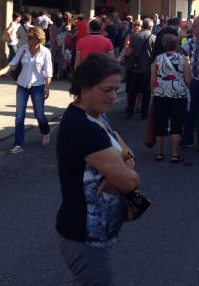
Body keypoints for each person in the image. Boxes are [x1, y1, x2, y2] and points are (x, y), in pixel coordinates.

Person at [56, 53, 140, 286]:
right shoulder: (83, 127)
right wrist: (123, 174)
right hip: (83, 234)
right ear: (84, 86)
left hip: (94, 232)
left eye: (116, 89)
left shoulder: (97, 116)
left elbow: (128, 154)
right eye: (107, 90)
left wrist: (119, 171)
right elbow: (130, 182)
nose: (114, 96)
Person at [0, 26, 53, 152]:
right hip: (22, 85)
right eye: (27, 37)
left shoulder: (45, 52)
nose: (28, 40)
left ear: (38, 38)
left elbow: (48, 72)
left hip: (38, 86)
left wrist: (47, 89)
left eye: (30, 38)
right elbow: (12, 65)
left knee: (39, 114)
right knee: (19, 116)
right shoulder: (23, 49)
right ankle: (18, 144)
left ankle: (45, 131)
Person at [151, 33, 191, 162]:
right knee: (176, 123)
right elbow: (188, 79)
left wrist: (153, 92)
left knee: (160, 122)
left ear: (163, 45)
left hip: (160, 93)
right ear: (177, 45)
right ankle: (175, 154)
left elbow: (153, 79)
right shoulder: (183, 59)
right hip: (178, 94)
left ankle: (159, 152)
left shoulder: (157, 59)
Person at [181, 16, 199, 150]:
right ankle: (187, 139)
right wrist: (180, 35)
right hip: (194, 80)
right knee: (190, 110)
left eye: (195, 26)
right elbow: (179, 50)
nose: (192, 28)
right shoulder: (191, 41)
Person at [125, 18, 155, 119]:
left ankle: (130, 110)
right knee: (146, 92)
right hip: (147, 68)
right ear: (151, 27)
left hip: (136, 67)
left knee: (133, 90)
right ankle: (144, 113)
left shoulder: (135, 36)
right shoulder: (153, 38)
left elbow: (129, 52)